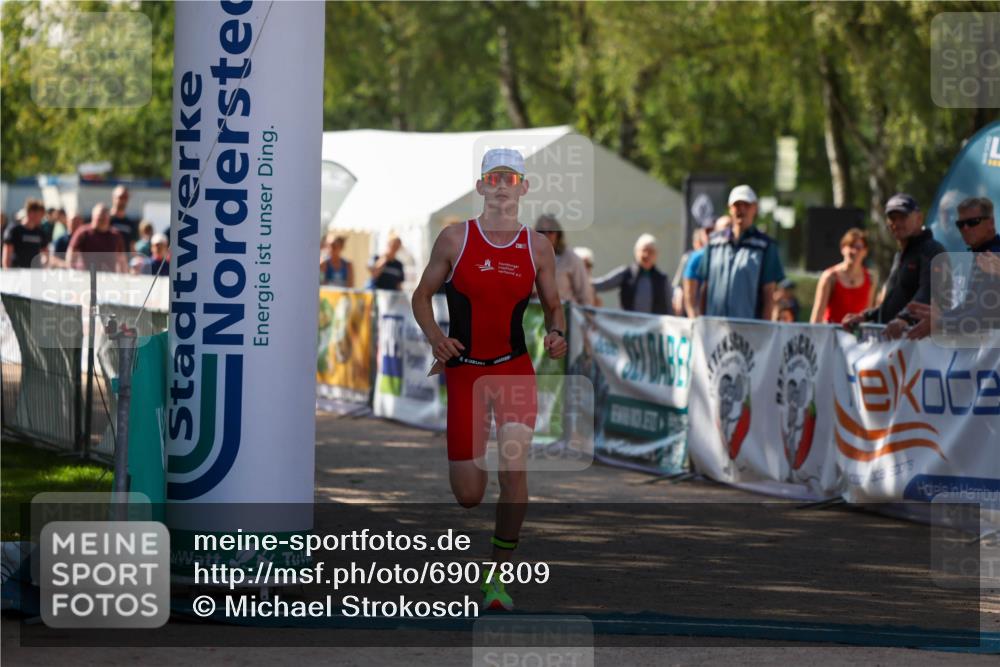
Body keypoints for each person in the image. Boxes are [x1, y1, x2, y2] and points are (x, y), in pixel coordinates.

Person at [411, 147, 567, 612]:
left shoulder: (537, 247)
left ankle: (497, 578)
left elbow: (554, 306)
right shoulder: (454, 239)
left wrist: (556, 334)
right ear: (481, 186)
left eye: (510, 178)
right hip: (466, 374)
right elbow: (421, 296)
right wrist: (437, 339)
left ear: (524, 188)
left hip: (513, 369)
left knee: (513, 471)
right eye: (493, 178)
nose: (501, 186)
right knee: (468, 495)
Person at [842, 194, 945, 339]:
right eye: (892, 218)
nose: (897, 223)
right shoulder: (901, 254)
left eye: (903, 217)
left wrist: (904, 319)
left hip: (918, 344)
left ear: (919, 218)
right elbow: (894, 301)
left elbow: (928, 292)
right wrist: (866, 316)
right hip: (896, 344)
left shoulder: (932, 250)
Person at [909, 196, 1000, 341]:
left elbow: (982, 316)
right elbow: (969, 306)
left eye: (973, 222)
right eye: (961, 224)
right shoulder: (981, 253)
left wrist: (940, 322)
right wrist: (940, 317)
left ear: (991, 223)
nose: (965, 228)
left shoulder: (993, 256)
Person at [696, 185, 784, 319]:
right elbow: (705, 287)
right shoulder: (714, 243)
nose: (741, 209)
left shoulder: (765, 246)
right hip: (715, 325)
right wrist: (702, 322)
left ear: (755, 208)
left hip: (748, 327)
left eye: (746, 205)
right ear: (730, 208)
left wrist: (764, 328)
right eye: (737, 205)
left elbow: (768, 294)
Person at [591, 233, 672, 314]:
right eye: (644, 250)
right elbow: (603, 284)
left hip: (654, 322)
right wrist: (585, 281)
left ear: (656, 254)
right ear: (636, 252)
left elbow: (669, 307)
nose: (646, 255)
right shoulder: (626, 273)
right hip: (627, 321)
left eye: (651, 252)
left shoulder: (662, 279)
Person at [810, 228, 875, 324]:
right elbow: (816, 317)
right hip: (832, 331)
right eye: (851, 246)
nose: (854, 251)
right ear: (842, 248)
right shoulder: (830, 277)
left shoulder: (870, 278)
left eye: (858, 247)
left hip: (858, 332)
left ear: (865, 251)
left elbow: (868, 315)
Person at [534, 214, 594, 305]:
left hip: (564, 312)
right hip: (533, 312)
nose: (546, 235)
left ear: (558, 234)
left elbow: (585, 296)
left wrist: (587, 315)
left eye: (551, 231)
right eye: (541, 231)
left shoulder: (571, 258)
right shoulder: (529, 257)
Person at [682, 215, 730, 318]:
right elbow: (689, 294)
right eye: (707, 231)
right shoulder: (697, 257)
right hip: (706, 318)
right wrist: (695, 319)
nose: (710, 234)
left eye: (713, 230)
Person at [66, 203, 127, 273]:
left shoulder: (115, 235)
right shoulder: (83, 232)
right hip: (87, 274)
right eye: (99, 218)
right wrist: (72, 270)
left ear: (108, 218)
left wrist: (123, 275)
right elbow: (71, 254)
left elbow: (121, 259)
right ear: (93, 217)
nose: (101, 220)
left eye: (103, 218)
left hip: (108, 275)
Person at [3, 199, 50, 269]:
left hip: (34, 272)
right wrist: (7, 272)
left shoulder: (40, 233)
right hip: (16, 272)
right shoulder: (14, 230)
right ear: (31, 213)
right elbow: (7, 256)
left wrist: (44, 264)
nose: (42, 219)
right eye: (40, 215)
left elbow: (45, 253)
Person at [108, 185, 138, 251]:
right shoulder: (105, 220)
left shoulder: (130, 223)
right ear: (113, 198)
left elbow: (132, 247)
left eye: (126, 197)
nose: (123, 200)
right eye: (121, 197)